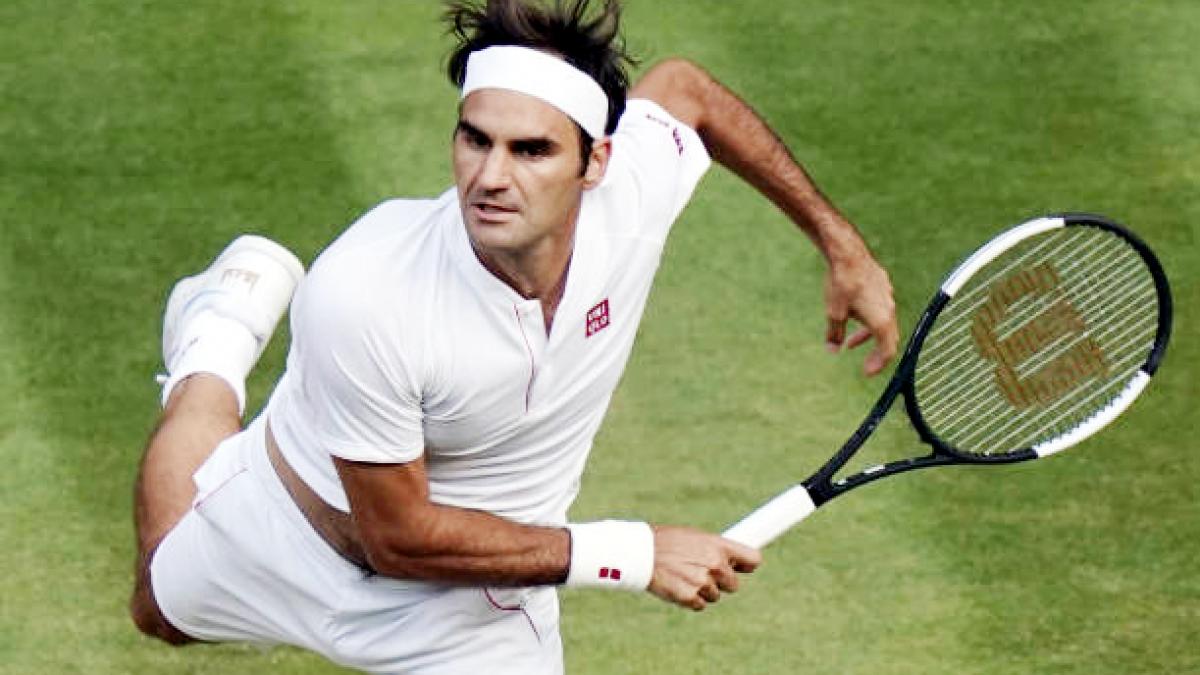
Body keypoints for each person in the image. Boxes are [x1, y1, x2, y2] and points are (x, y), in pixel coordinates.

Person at [129, 0, 898, 672]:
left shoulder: (630, 198)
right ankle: (217, 339)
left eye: (531, 150)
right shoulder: (365, 292)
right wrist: (635, 554)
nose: (491, 176)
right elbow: (397, 535)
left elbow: (687, 91)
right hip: (285, 531)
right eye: (476, 140)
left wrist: (842, 245)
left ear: (596, 162)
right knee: (156, 608)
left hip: (475, 603)